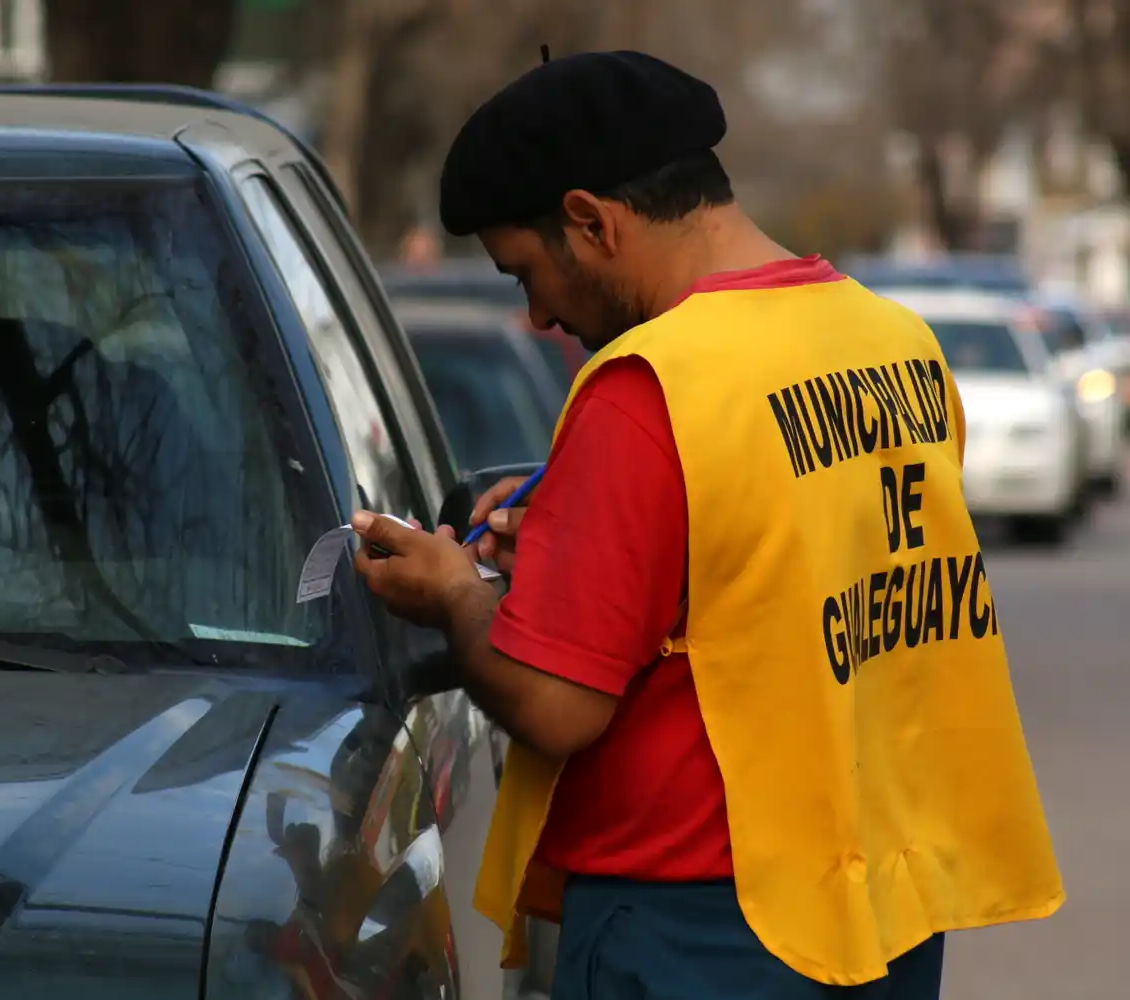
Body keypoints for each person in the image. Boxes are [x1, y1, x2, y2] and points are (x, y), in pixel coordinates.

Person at [349, 49, 1064, 1000]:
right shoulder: (891, 342)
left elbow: (557, 707)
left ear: (590, 222)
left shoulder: (649, 386)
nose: (533, 316)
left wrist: (450, 593)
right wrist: (591, 514)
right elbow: (805, 546)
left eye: (525, 272)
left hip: (699, 932)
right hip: (880, 911)